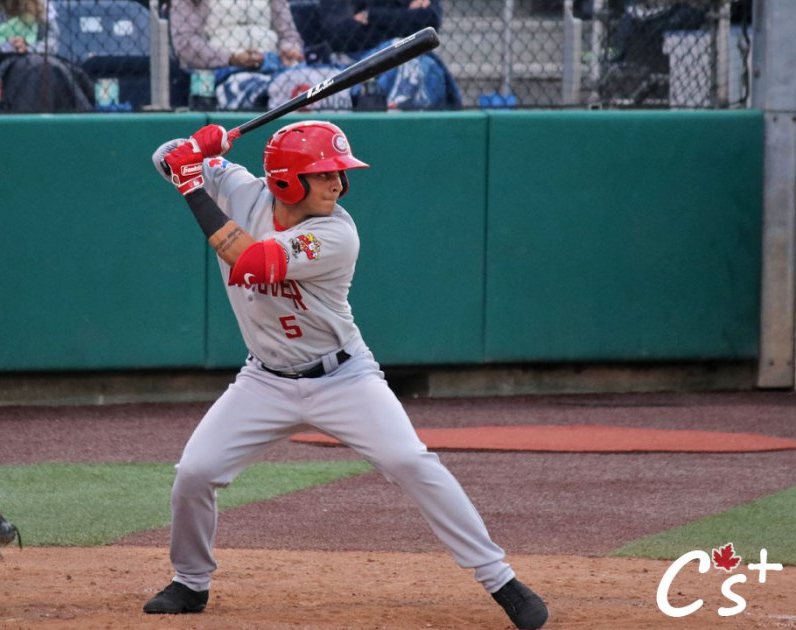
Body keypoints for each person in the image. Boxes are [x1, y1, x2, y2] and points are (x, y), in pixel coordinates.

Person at [142, 121, 549, 630]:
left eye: (339, 172)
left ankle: (500, 579)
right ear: (287, 181)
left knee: (411, 460)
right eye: (325, 173)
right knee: (194, 474)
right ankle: (191, 582)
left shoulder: (336, 233)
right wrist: (199, 148)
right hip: (264, 381)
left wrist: (190, 184)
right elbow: (164, 156)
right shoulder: (240, 188)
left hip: (343, 378)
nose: (339, 183)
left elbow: (250, 260)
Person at [308, 0, 461, 109]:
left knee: (414, 60)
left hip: (409, 56)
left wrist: (372, 16)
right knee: (400, 51)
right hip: (353, 61)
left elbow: (429, 22)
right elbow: (341, 35)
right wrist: (403, 19)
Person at [0, 0, 93, 112]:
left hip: (19, 72)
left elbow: (51, 42)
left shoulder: (39, 3)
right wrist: (2, 47)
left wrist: (28, 47)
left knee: (41, 69)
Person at [168, 0, 305, 109]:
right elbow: (185, 43)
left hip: (274, 66)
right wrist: (232, 58)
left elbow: (289, 35)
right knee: (267, 93)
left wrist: (290, 51)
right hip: (221, 72)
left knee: (305, 84)